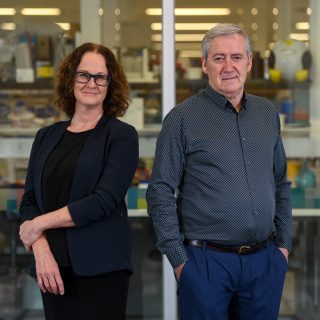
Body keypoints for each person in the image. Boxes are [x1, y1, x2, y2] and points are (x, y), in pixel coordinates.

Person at [147, 23, 292, 320]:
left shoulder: (267, 114)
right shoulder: (182, 119)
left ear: (249, 63)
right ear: (204, 64)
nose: (229, 66)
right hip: (206, 265)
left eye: (237, 57)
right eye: (219, 58)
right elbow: (160, 191)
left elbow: (280, 183)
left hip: (264, 263)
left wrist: (283, 247)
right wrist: (180, 262)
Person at [19, 42, 139, 320]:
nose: (91, 83)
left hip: (101, 269)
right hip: (51, 267)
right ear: (70, 78)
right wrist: (41, 249)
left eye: (100, 77)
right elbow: (29, 199)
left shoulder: (121, 136)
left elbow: (103, 201)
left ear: (111, 84)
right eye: (84, 74)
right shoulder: (46, 136)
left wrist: (37, 225)